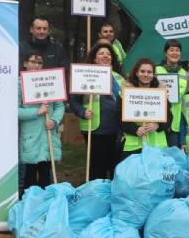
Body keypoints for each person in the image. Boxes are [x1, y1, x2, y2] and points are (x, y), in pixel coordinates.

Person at [69, 43, 124, 180]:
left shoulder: (119, 77)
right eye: (101, 53)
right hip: (95, 129)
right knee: (97, 167)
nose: (105, 56)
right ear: (94, 59)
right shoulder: (85, 75)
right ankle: (97, 194)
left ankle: (113, 194)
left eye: (108, 54)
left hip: (117, 130)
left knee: (115, 166)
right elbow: (74, 101)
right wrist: (82, 112)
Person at [18, 52, 64, 193]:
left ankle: (46, 207)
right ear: (25, 63)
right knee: (29, 177)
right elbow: (14, 110)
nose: (37, 66)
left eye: (40, 63)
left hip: (48, 136)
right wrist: (36, 112)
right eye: (33, 62)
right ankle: (29, 206)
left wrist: (55, 120)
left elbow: (59, 106)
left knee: (46, 176)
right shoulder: (19, 83)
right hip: (31, 138)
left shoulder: (50, 81)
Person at [120, 58, 167, 157]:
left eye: (149, 72)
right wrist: (135, 129)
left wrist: (158, 125)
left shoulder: (160, 92)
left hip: (157, 147)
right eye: (142, 71)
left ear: (153, 75)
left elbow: (169, 117)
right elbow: (118, 117)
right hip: (134, 147)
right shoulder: (126, 92)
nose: (146, 74)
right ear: (136, 73)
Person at [156, 40, 189, 147]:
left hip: (175, 124)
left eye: (177, 50)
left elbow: (185, 96)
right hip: (157, 122)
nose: (175, 53)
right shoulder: (155, 70)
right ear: (166, 53)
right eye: (171, 50)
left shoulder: (186, 74)